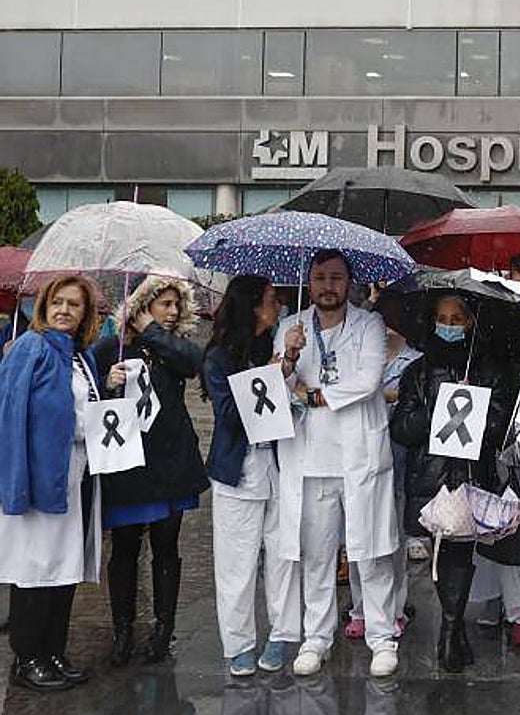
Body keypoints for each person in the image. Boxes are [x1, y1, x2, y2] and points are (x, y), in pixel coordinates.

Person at [276, 250, 400, 678]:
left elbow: (367, 382)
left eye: (336, 278)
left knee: (372, 553)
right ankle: (317, 637)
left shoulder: (369, 324)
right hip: (310, 458)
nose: (328, 286)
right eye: (320, 278)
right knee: (317, 553)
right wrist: (289, 357)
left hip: (359, 456)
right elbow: (276, 387)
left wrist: (309, 395)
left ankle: (382, 637)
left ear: (350, 283)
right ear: (308, 283)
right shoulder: (289, 327)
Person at [391, 293, 515, 672]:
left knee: (459, 553)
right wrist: (439, 411)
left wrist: (472, 405)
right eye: (442, 318)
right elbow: (401, 429)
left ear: (470, 323)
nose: (448, 324)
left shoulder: (490, 371)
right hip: (430, 478)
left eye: (456, 318)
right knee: (443, 553)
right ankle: (452, 628)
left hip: (471, 476)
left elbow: (500, 427)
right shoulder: (418, 372)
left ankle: (450, 629)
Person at [94, 276, 209, 665]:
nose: (174, 311)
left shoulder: (173, 348)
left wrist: (154, 332)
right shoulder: (111, 348)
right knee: (125, 548)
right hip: (127, 464)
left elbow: (196, 363)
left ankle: (163, 630)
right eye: (164, 304)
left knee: (166, 547)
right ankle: (122, 631)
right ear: (142, 305)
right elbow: (95, 401)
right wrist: (108, 384)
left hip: (170, 461)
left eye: (178, 304)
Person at [0, 275, 104, 691]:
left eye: (73, 305)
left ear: (84, 315)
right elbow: (9, 412)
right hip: (39, 477)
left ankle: (53, 651)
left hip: (76, 477)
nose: (63, 310)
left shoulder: (82, 357)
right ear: (43, 305)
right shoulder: (31, 347)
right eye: (57, 302)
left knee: (64, 569)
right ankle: (27, 658)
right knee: (34, 569)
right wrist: (14, 480)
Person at [201, 275, 301, 676]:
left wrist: (287, 363)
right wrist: (272, 374)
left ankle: (281, 634)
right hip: (238, 471)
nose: (277, 305)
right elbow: (230, 414)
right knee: (236, 563)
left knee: (281, 555)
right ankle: (238, 643)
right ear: (254, 307)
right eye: (272, 299)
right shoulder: (218, 358)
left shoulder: (271, 345)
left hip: (279, 467)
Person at [344, 325, 422, 641]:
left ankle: (394, 609)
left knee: (393, 538)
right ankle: (360, 607)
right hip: (359, 454)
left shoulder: (416, 362)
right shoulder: (357, 355)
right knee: (356, 535)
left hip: (399, 457)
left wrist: (379, 394)